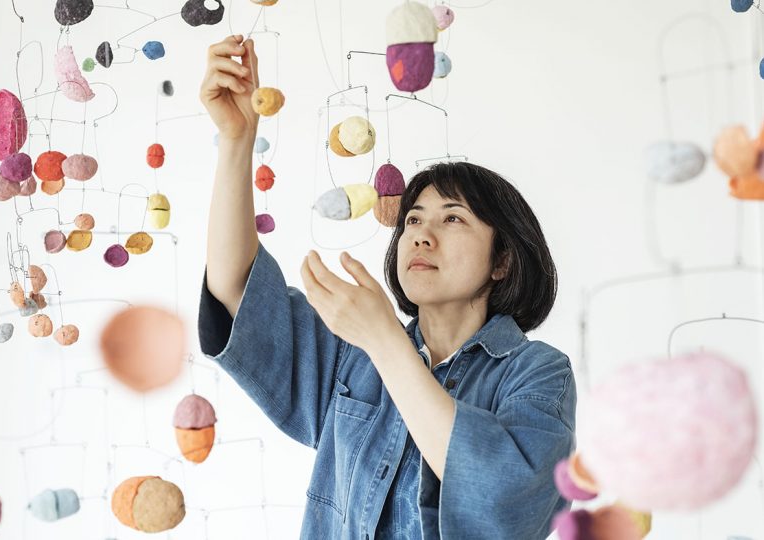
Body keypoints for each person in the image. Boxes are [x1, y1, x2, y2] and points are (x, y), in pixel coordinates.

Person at [198, 34, 576, 539]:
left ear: (502, 261)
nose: (420, 232)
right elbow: (234, 291)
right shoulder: (352, 357)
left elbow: (503, 502)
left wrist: (383, 339)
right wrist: (238, 139)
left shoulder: (538, 374)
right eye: (414, 219)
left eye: (453, 219)